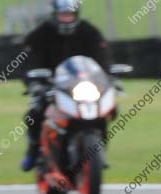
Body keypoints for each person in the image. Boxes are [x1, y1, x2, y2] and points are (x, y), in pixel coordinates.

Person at [20, 0, 109, 172]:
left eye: (70, 15)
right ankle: (33, 151)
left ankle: (98, 153)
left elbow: (102, 59)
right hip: (50, 85)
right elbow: (29, 63)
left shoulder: (89, 32)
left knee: (105, 111)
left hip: (83, 85)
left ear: (76, 15)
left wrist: (109, 78)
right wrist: (34, 83)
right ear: (55, 15)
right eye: (63, 15)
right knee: (34, 114)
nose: (66, 19)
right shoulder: (40, 34)